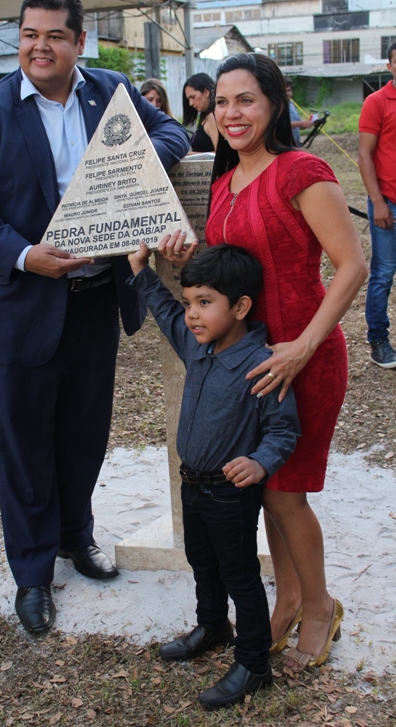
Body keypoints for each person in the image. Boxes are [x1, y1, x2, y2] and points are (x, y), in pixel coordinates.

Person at [0, 0, 190, 635]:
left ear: (80, 42)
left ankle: (75, 537)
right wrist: (27, 255)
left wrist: (137, 160)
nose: (40, 47)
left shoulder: (110, 91)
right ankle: (31, 573)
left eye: (54, 35)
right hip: (17, 305)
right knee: (24, 447)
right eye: (30, 34)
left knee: (83, 435)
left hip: (95, 301)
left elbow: (173, 131)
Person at [158, 52, 367, 671]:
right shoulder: (224, 183)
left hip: (305, 355)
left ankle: (321, 607)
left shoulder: (301, 171)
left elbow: (351, 266)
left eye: (245, 99)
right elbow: (234, 267)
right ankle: (292, 598)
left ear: (274, 103)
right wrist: (189, 258)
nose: (232, 113)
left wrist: (303, 346)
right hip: (249, 362)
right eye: (222, 102)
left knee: (284, 494)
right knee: (267, 488)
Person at [127, 243, 300, 708]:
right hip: (192, 485)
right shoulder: (196, 345)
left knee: (239, 574)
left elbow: (283, 429)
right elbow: (165, 312)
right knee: (201, 561)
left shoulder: (261, 365)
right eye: (190, 303)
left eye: (204, 303)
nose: (192, 314)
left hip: (229, 494)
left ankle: (253, 663)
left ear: (240, 307)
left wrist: (260, 462)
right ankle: (212, 626)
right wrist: (141, 271)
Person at [358, 40, 396, 368]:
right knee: (383, 273)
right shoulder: (377, 102)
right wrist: (377, 202)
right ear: (390, 66)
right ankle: (378, 340)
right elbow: (364, 154)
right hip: (388, 203)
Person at [182, 72, 218, 153]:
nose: (190, 103)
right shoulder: (206, 117)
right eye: (188, 99)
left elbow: (221, 154)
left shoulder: (212, 117)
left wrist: (189, 155)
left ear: (206, 92)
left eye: (193, 97)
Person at [284, 77, 313, 147]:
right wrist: (301, 123)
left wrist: (310, 123)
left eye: (289, 90)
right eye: (284, 91)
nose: (287, 93)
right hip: (284, 146)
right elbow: (280, 125)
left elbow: (297, 126)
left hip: (294, 145)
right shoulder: (277, 106)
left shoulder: (291, 105)